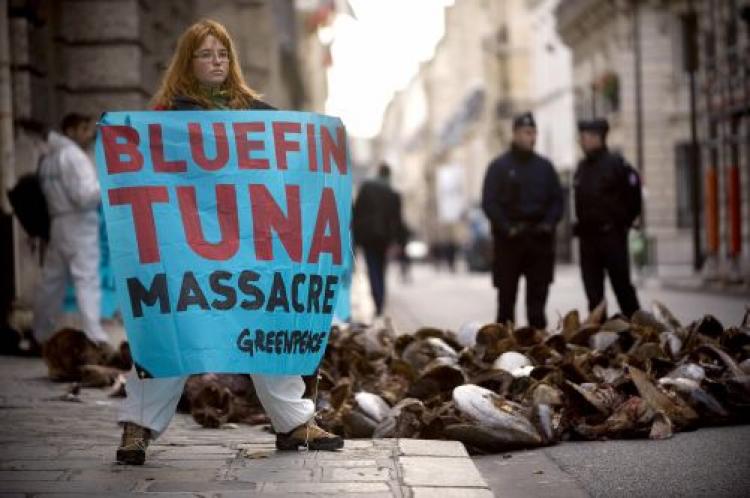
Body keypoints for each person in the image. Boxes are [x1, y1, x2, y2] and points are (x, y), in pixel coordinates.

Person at [116, 19, 343, 466]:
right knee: (174, 330)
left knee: (267, 327)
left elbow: (289, 163)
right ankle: (137, 427)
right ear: (188, 61)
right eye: (205, 54)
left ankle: (294, 421)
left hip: (251, 243)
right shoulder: (165, 118)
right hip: (187, 244)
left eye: (222, 54)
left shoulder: (257, 113)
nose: (216, 61)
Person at [32, 113, 110, 348]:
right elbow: (84, 196)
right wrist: (106, 185)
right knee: (86, 279)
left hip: (58, 222)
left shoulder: (49, 158)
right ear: (71, 130)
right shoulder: (74, 157)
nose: (90, 134)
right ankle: (95, 336)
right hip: (79, 223)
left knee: (52, 282)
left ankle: (41, 332)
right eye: (85, 129)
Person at [481, 112, 563, 329]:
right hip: (509, 241)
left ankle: (538, 351)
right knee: (506, 303)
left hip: (539, 241)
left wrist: (548, 223)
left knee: (537, 305)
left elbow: (557, 200)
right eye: (527, 132)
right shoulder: (499, 167)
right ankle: (504, 352)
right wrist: (507, 228)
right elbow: (489, 202)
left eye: (534, 132)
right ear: (516, 134)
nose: (532, 137)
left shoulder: (545, 167)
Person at [573, 118, 641, 318]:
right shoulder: (582, 167)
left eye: (585, 137)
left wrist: (623, 223)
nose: (582, 141)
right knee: (594, 294)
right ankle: (600, 338)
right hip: (588, 239)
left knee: (622, 288)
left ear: (597, 138)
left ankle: (639, 331)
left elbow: (634, 196)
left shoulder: (616, 164)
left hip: (611, 237)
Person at [352, 162, 404, 317]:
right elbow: (397, 220)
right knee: (381, 269)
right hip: (384, 237)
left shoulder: (367, 188)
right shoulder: (393, 194)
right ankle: (380, 301)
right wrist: (398, 241)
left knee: (372, 268)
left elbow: (356, 211)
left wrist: (355, 233)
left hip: (367, 236)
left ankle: (377, 299)